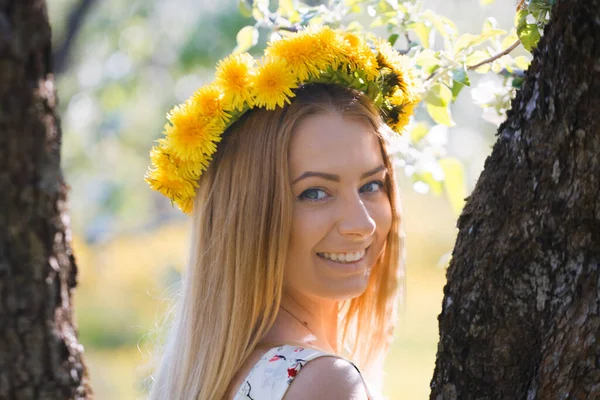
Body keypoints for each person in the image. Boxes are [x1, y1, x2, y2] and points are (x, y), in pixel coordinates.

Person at [145, 26, 419, 400]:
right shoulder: (325, 383)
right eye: (316, 193)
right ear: (249, 217)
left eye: (372, 185)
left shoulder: (213, 375)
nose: (362, 224)